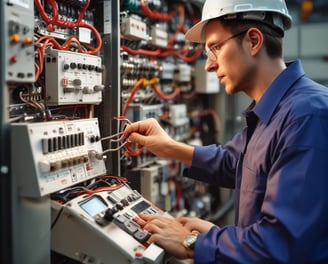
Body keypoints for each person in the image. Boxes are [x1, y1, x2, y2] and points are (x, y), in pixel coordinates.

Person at [123, 0, 328, 263]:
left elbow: (281, 246)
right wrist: (169, 147)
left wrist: (193, 243)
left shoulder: (308, 116)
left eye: (215, 48)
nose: (209, 65)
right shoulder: (276, 111)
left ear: (253, 41)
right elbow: (236, 162)